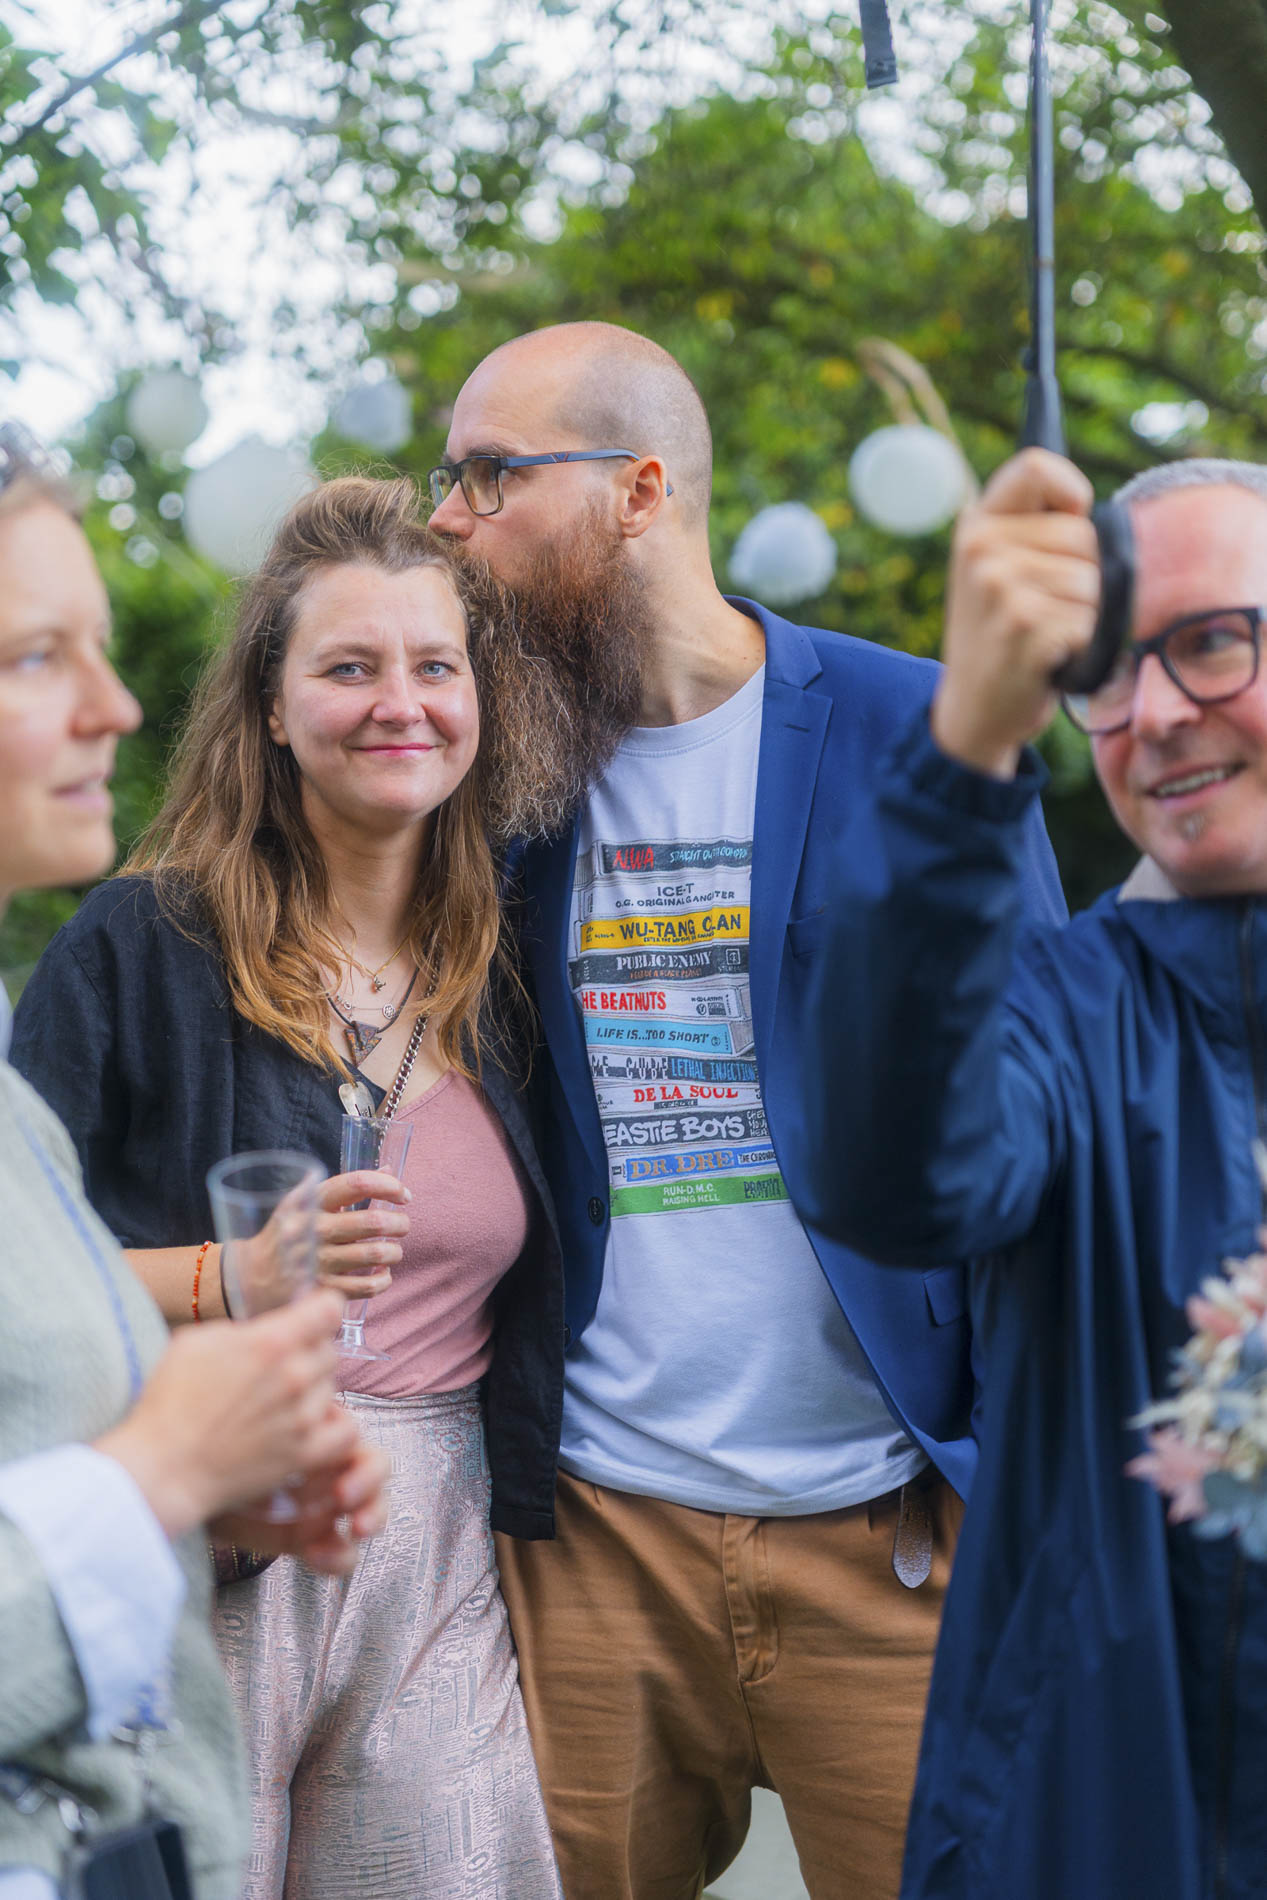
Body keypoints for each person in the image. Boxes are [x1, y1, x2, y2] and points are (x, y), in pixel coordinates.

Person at [424, 320, 1067, 1899]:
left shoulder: (923, 725)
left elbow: (1045, 1117)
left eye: (490, 475)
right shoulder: (476, 772)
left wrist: (1016, 1470)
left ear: (641, 491)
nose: (447, 515)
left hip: (891, 1524)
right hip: (593, 1534)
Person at [12, 476, 565, 1900]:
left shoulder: (510, 964)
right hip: (206, 1527)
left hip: (438, 1549)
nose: (402, 702)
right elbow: (23, 1274)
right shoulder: (140, 941)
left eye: (435, 666)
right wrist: (229, 1280)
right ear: (270, 706)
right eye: (349, 667)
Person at [797, 448, 1267, 1900]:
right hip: (1111, 1818)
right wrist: (966, 749)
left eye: (1210, 643)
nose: (1157, 714)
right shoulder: (1061, 1011)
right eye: (1107, 673)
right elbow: (891, 1178)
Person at [0, 425, 388, 1900]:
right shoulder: (128, 949)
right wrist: (159, 1465)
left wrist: (208, 1488)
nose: (114, 704)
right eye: (38, 657)